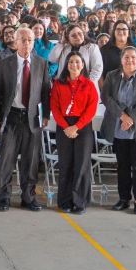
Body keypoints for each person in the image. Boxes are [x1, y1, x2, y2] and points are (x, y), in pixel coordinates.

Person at [0, 26, 53, 212]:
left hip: (32, 118)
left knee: (31, 160)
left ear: (34, 42)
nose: (27, 43)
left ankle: (28, 197)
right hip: (11, 116)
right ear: (15, 41)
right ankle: (3, 197)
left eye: (30, 40)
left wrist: (46, 115)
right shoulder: (4, 63)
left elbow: (45, 92)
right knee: (6, 160)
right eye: (23, 39)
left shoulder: (41, 63)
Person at [100, 46, 136, 215]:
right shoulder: (112, 76)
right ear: (121, 59)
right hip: (119, 127)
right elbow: (106, 97)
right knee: (123, 166)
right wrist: (122, 116)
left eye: (133, 57)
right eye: (126, 57)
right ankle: (124, 199)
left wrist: (130, 117)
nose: (130, 60)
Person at [50, 50, 99, 214]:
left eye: (78, 62)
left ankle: (80, 202)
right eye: (71, 62)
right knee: (65, 165)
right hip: (64, 126)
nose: (74, 65)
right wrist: (66, 127)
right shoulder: (58, 84)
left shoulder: (89, 84)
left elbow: (92, 108)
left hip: (82, 127)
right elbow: (55, 107)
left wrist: (76, 127)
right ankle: (64, 201)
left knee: (82, 165)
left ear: (83, 65)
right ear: (66, 65)